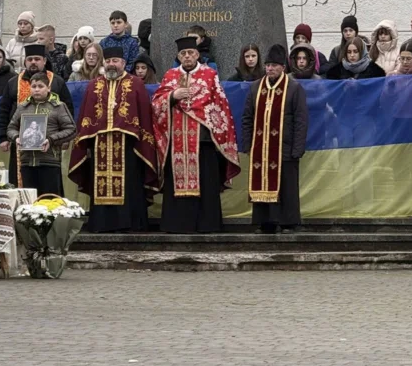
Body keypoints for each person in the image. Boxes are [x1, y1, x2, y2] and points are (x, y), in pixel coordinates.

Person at [152, 37, 240, 233]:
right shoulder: (170, 75)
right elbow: (157, 104)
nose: (187, 56)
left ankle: (207, 224)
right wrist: (172, 97)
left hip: (203, 140)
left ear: (197, 54)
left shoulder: (209, 75)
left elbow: (220, 105)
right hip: (176, 140)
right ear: (178, 56)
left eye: (190, 53)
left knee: (206, 182)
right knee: (176, 183)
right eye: (183, 54)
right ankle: (177, 224)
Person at [69, 49, 160, 232]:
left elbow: (143, 116)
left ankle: (130, 223)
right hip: (99, 143)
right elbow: (86, 116)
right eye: (108, 60)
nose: (112, 64)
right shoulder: (94, 85)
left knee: (130, 183)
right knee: (100, 183)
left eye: (116, 60)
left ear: (123, 63)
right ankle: (102, 223)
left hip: (129, 145)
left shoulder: (135, 84)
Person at [241, 44, 309, 233]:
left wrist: (297, 148)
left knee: (286, 186)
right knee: (261, 182)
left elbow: (301, 120)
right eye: (268, 65)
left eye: (274, 65)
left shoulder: (294, 89)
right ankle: (265, 222)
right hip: (260, 148)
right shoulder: (256, 88)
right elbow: (247, 117)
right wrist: (248, 144)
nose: (270, 69)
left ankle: (288, 222)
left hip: (285, 147)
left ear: (283, 68)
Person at [0, 45, 75, 184]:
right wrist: (4, 137)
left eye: (37, 59)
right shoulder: (13, 82)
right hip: (22, 148)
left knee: (49, 189)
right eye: (30, 59)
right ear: (25, 61)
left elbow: (68, 110)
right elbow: (4, 110)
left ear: (44, 61)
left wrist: (64, 139)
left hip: (50, 148)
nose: (33, 62)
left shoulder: (56, 81)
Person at [7, 73, 76, 195]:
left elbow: (71, 129)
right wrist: (17, 137)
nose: (37, 89)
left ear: (48, 88)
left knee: (50, 200)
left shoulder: (58, 107)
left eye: (40, 86)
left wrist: (51, 140)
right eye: (34, 86)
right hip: (27, 162)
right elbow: (11, 128)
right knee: (30, 200)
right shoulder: (23, 107)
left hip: (49, 161)